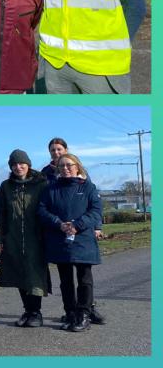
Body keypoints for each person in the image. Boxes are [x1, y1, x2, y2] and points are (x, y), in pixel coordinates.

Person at [40, 137, 106, 324]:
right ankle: (71, 312)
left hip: (82, 236)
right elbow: (42, 207)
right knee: (65, 279)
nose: (56, 153)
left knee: (84, 277)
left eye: (59, 149)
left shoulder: (86, 184)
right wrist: (58, 223)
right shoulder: (46, 178)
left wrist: (85, 225)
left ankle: (86, 311)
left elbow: (95, 208)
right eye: (53, 150)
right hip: (60, 236)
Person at [0, 150, 49, 328]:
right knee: (19, 274)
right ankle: (27, 310)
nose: (18, 167)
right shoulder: (6, 186)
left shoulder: (41, 184)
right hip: (13, 237)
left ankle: (36, 312)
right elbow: (0, 214)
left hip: (36, 238)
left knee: (34, 276)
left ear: (28, 164)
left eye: (21, 163)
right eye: (14, 164)